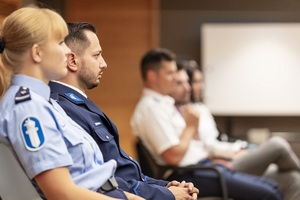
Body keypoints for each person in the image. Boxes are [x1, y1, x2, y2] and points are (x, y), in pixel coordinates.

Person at [0, 6, 144, 200]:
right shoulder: (28, 108)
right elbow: (62, 193)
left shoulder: (43, 102)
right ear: (37, 53)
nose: (68, 51)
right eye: (60, 43)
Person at [49, 22, 199, 200]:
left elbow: (125, 172)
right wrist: (166, 194)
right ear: (73, 61)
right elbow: (100, 180)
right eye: (96, 55)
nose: (104, 64)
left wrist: (165, 186)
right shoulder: (63, 109)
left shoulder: (78, 104)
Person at [130, 48, 285, 200]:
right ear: (151, 76)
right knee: (269, 193)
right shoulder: (151, 108)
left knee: (274, 187)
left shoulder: (164, 105)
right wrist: (190, 126)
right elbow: (173, 157)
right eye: (170, 73)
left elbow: (193, 145)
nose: (174, 78)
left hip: (204, 167)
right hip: (190, 173)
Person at [176, 59, 300, 200]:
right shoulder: (186, 114)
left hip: (219, 159)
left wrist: (237, 148)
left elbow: (212, 142)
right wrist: (232, 153)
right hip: (215, 164)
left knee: (293, 178)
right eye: (196, 82)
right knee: (278, 144)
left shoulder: (200, 109)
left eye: (200, 81)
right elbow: (205, 147)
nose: (200, 86)